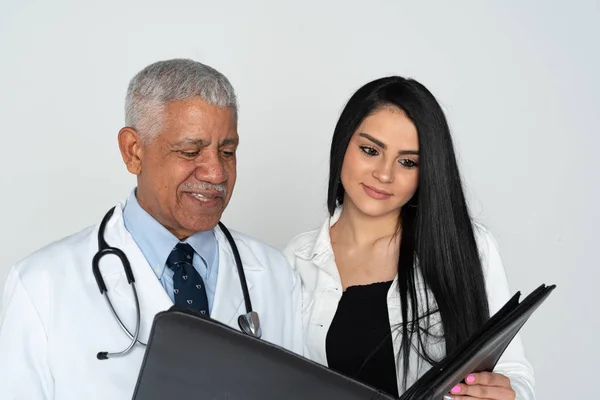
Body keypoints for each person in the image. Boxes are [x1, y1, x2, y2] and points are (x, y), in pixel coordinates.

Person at [0, 58, 303, 399]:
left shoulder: (275, 274)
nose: (216, 173)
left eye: (227, 151)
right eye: (190, 151)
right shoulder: (42, 284)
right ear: (133, 152)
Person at [284, 76, 534, 399]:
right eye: (370, 150)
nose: (384, 174)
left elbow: (515, 374)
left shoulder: (466, 248)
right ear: (343, 143)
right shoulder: (294, 261)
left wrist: (507, 394)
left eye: (407, 162)